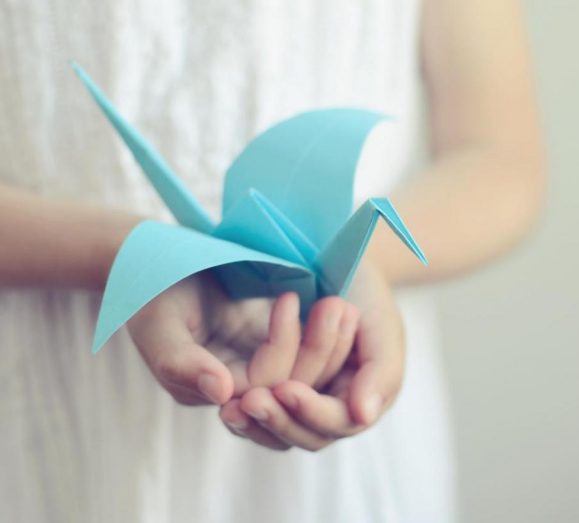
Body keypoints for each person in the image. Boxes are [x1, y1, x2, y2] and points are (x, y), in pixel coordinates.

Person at [0, 0, 544, 521]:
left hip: (344, 405)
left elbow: (501, 163)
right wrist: (135, 258)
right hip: (48, 416)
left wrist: (353, 266)